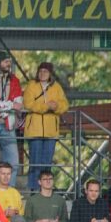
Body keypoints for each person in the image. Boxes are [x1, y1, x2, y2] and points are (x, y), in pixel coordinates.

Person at [22, 62, 69, 191]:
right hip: (34, 130)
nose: (42, 73)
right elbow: (28, 103)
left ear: (50, 74)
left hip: (51, 131)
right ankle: (33, 189)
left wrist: (57, 107)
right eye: (41, 71)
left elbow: (65, 104)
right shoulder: (32, 85)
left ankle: (46, 189)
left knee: (47, 162)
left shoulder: (56, 87)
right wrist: (46, 106)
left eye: (46, 71)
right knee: (35, 162)